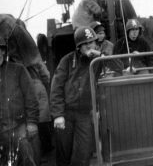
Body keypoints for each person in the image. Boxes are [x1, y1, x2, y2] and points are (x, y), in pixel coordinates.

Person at [50, 26, 101, 166]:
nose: (91, 46)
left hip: (84, 114)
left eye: (92, 42)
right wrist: (58, 115)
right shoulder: (66, 61)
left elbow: (118, 67)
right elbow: (56, 88)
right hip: (65, 113)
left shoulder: (98, 60)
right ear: (79, 46)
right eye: (86, 43)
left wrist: (101, 56)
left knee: (83, 153)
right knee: (64, 153)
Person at [0, 36, 39, 166]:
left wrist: (32, 122)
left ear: (3, 51)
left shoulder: (18, 69)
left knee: (26, 159)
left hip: (18, 126)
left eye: (0, 49)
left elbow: (31, 97)